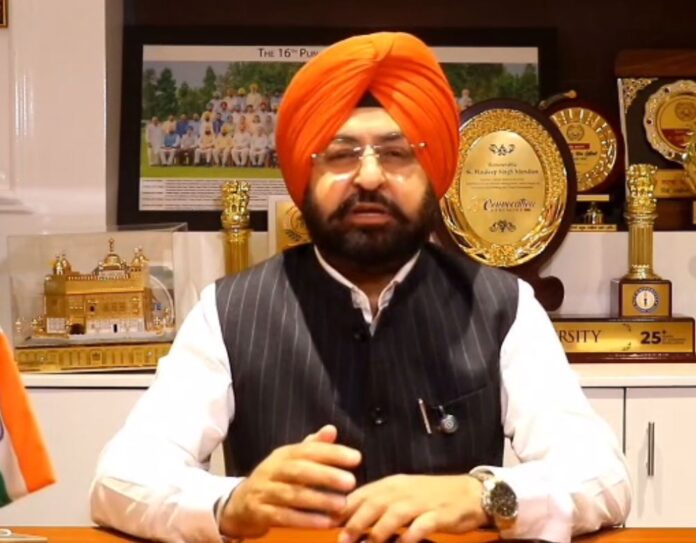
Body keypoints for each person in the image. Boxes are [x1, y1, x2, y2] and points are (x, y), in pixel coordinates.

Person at [91, 32, 630, 543]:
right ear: (304, 177)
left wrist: (487, 493)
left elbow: (604, 476)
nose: (369, 177)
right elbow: (121, 478)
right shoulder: (227, 312)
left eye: (397, 153)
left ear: (434, 172)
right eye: (340, 153)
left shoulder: (502, 306)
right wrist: (231, 503)